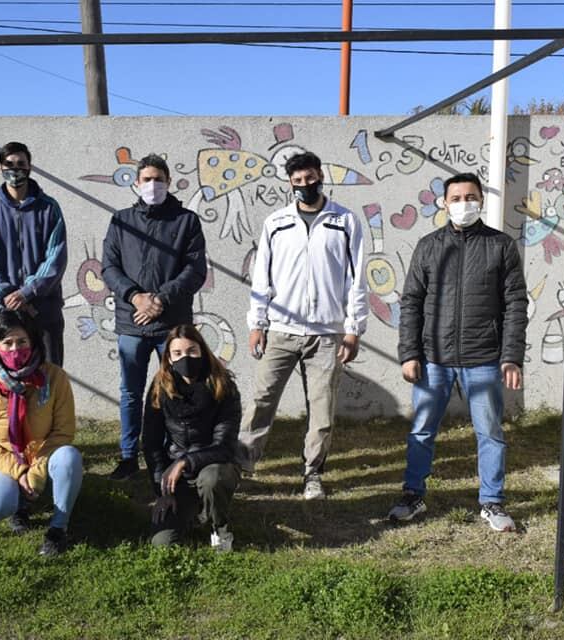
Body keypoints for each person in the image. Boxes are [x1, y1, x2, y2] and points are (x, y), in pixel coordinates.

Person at [388, 172, 527, 532]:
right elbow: (411, 304)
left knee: (490, 433)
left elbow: (515, 304)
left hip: (484, 358)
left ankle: (492, 502)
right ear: (444, 203)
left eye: (471, 197)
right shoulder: (429, 246)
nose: (464, 203)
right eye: (457, 198)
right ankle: (413, 494)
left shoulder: (501, 246)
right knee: (421, 431)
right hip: (433, 358)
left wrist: (511, 355)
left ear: (481, 200)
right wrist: (409, 354)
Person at [237, 151, 368, 500]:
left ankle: (313, 475)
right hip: (281, 330)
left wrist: (354, 328)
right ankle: (242, 466)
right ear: (290, 184)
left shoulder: (345, 221)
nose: (305, 186)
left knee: (321, 409)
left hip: (326, 333)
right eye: (297, 182)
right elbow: (261, 276)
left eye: (310, 179)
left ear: (321, 176)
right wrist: (257, 324)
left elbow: (356, 280)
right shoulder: (276, 223)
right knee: (261, 401)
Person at [101, 153, 208, 480]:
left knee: (177, 390)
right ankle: (128, 456)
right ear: (136, 183)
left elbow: (195, 270)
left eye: (158, 179)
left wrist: (160, 299)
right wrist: (136, 297)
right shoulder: (120, 220)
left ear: (168, 182)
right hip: (130, 323)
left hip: (172, 326)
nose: (152, 185)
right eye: (146, 179)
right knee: (131, 393)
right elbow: (109, 267)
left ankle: (175, 455)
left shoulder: (186, 221)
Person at [0, 310, 82, 556]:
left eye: (21, 341)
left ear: (33, 341)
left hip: (45, 455)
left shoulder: (55, 377)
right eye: (7, 343)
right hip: (8, 459)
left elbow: (63, 433)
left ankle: (58, 529)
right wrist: (19, 472)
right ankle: (19, 504)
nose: (15, 349)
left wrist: (37, 471)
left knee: (69, 457)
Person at [142, 324, 241, 551]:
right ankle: (196, 513)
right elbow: (151, 443)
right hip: (177, 476)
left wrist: (185, 461)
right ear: (168, 357)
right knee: (162, 544)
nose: (185, 358)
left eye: (192, 351)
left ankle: (220, 528)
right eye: (177, 353)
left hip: (214, 465)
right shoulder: (160, 387)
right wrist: (162, 491)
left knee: (212, 479)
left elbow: (225, 446)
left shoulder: (223, 385)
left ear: (203, 351)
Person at [0, 141, 68, 365]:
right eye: (9, 164)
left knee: (49, 379)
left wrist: (27, 293)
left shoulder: (49, 208)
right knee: (1, 383)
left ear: (29, 167)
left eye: (21, 164)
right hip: (1, 312)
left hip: (42, 311)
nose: (15, 169)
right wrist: (9, 296)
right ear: (0, 167)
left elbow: (56, 257)